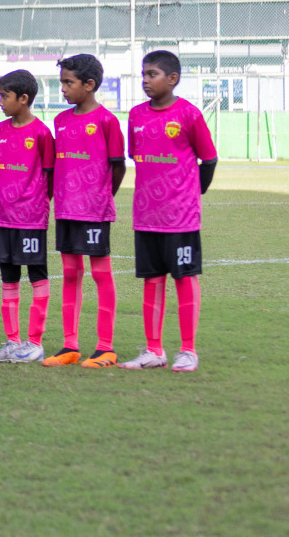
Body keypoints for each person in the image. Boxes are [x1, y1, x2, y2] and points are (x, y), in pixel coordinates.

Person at [121, 50, 218, 373]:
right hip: (146, 215)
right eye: (144, 75)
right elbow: (136, 157)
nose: (146, 81)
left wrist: (193, 193)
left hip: (181, 216)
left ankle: (188, 351)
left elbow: (210, 158)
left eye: (152, 74)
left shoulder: (189, 114)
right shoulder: (136, 115)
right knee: (151, 280)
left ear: (173, 79)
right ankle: (153, 350)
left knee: (184, 278)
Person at [44, 53, 125, 368]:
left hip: (94, 212)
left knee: (101, 274)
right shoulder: (61, 121)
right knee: (69, 273)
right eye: (61, 81)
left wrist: (103, 196)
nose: (63, 88)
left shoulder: (107, 120)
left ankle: (105, 347)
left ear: (89, 85)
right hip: (65, 210)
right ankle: (70, 346)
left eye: (68, 82)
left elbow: (118, 166)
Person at [0, 69, 55, 363]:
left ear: (23, 99)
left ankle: (35, 342)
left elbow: (51, 175)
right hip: (2, 217)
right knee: (8, 278)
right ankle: (13, 342)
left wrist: (36, 202)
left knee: (36, 275)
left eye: (4, 96)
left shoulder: (42, 133)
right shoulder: (0, 130)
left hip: (31, 219)